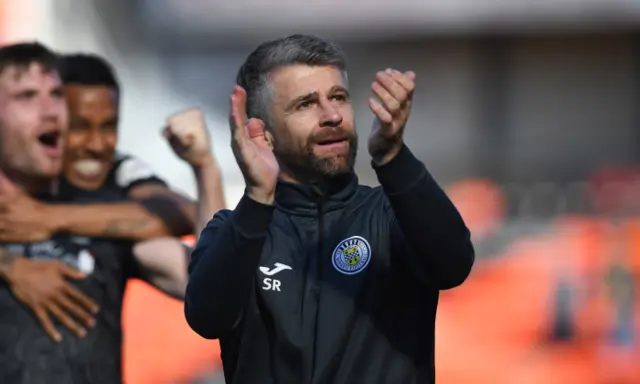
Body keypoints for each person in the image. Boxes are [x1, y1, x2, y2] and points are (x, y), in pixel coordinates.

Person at [185, 34, 475, 383]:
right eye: (306, 104)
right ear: (264, 132)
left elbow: (454, 265)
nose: (332, 115)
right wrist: (258, 198)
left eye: (338, 97)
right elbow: (207, 317)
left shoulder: (394, 215)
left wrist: (392, 157)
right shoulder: (233, 230)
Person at [0, 42, 220, 384]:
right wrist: (12, 267)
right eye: (26, 96)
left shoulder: (107, 198)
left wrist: (205, 167)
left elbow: (211, 286)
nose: (49, 111)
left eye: (56, 95)